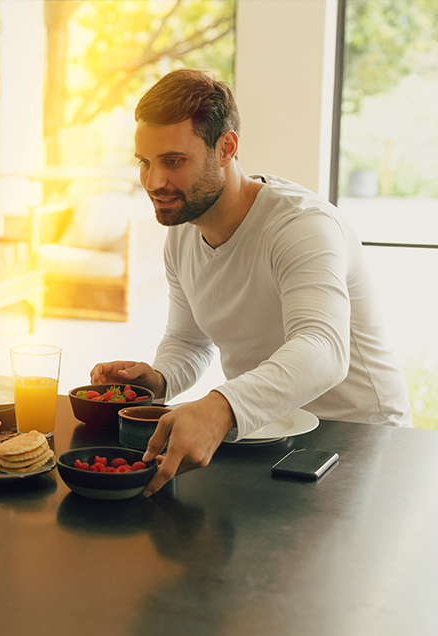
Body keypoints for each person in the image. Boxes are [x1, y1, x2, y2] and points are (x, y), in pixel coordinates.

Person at [90, 69, 411, 497]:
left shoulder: (301, 227)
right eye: (145, 163)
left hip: (360, 447)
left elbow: (322, 346)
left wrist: (221, 407)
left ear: (226, 148)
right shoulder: (183, 231)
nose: (153, 182)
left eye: (174, 161)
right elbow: (189, 340)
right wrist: (159, 378)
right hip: (265, 436)